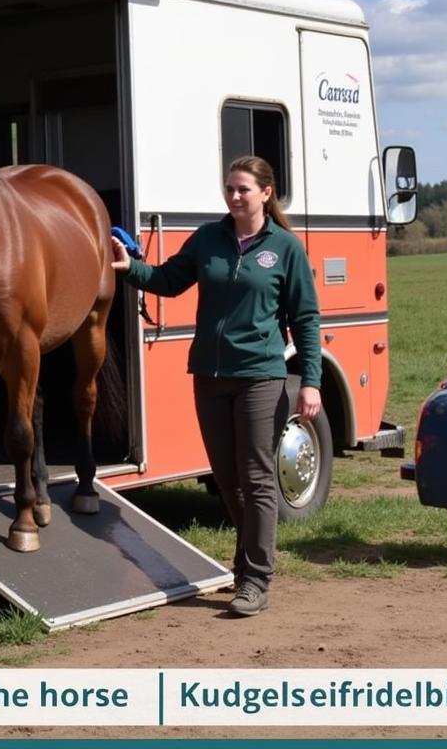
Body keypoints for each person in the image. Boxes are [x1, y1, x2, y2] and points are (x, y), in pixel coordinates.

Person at [111, 155, 321, 617]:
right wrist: (130, 269)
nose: (234, 195)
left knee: (258, 478)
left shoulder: (285, 248)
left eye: (243, 188)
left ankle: (255, 578)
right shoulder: (209, 238)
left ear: (266, 193)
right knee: (228, 481)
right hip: (209, 376)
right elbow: (169, 279)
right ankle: (249, 565)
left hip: (261, 376)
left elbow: (305, 318)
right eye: (229, 188)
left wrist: (311, 382)